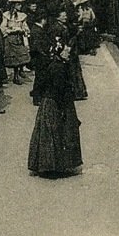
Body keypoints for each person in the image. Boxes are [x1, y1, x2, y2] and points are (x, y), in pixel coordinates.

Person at [28, 39, 83, 177]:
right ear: (60, 52)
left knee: (46, 135)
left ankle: (46, 165)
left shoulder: (54, 65)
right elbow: (59, 90)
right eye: (66, 51)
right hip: (54, 104)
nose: (68, 53)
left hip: (48, 102)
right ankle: (53, 167)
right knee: (56, 134)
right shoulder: (59, 68)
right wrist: (64, 110)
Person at [0, 0, 31, 85]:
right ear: (14, 5)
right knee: (14, 58)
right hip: (11, 38)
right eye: (18, 5)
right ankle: (16, 76)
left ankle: (20, 71)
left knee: (21, 54)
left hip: (19, 37)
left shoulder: (22, 15)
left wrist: (23, 30)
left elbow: (25, 26)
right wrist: (11, 30)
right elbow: (2, 27)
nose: (20, 6)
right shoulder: (6, 15)